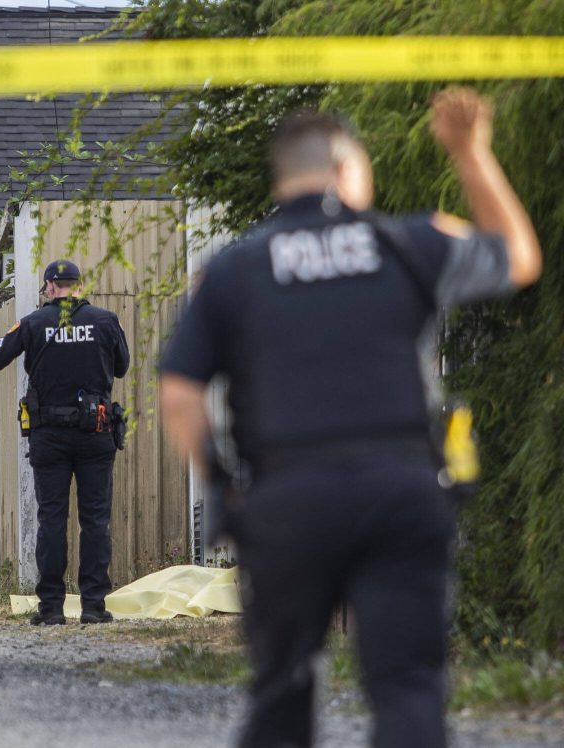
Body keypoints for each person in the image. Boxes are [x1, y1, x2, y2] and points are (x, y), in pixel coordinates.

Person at [159, 88, 541, 748]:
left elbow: (178, 394)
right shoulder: (409, 242)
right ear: (345, 167)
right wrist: (470, 153)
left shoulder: (232, 269)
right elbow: (517, 256)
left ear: (283, 176)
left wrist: (223, 483)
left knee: (282, 692)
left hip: (287, 498)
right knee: (407, 687)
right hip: (401, 489)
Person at [0, 260, 130, 625]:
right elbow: (122, 367)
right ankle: (94, 606)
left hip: (50, 437)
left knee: (51, 519)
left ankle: (51, 608)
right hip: (96, 433)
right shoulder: (105, 321)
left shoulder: (33, 323)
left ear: (49, 286)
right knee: (95, 520)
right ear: (78, 286)